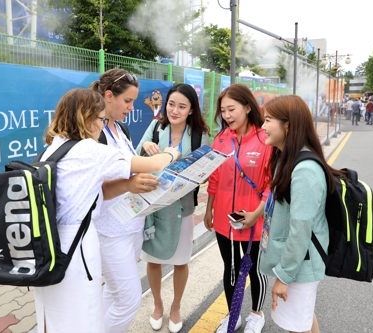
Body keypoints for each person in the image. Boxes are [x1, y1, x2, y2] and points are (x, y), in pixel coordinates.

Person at [33, 88, 180, 333]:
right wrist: (171, 153)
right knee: (88, 311)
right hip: (77, 244)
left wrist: (128, 185)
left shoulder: (54, 147)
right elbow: (154, 163)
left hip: (50, 240)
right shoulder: (89, 151)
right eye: (101, 120)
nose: (102, 126)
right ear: (87, 117)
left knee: (57, 313)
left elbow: (91, 194)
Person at [259, 95, 346, 333]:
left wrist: (284, 277)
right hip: (297, 263)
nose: (262, 127)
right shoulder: (286, 159)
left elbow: (300, 230)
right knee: (303, 322)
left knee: (298, 326)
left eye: (268, 120)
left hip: (299, 265)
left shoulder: (305, 169)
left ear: (288, 125)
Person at [136, 83, 210, 333]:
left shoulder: (199, 135)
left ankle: (176, 307)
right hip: (154, 207)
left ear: (191, 110)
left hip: (183, 206)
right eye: (171, 104)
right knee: (153, 259)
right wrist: (145, 148)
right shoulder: (156, 128)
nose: (175, 110)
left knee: (180, 261)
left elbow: (204, 172)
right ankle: (158, 305)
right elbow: (136, 157)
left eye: (182, 106)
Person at [203, 84, 271, 333]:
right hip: (224, 220)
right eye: (223, 111)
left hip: (254, 221)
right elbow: (215, 177)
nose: (227, 115)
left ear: (248, 107)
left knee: (255, 269)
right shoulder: (221, 139)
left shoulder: (265, 139)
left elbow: (270, 184)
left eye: (232, 109)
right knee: (230, 268)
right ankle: (234, 314)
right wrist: (210, 208)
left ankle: (256, 314)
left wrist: (257, 213)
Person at [88, 68, 148, 333]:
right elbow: (92, 187)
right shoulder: (93, 131)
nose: (132, 107)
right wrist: (130, 183)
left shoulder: (121, 128)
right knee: (129, 299)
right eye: (128, 101)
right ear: (109, 96)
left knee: (114, 294)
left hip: (132, 223)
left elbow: (127, 170)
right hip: (110, 230)